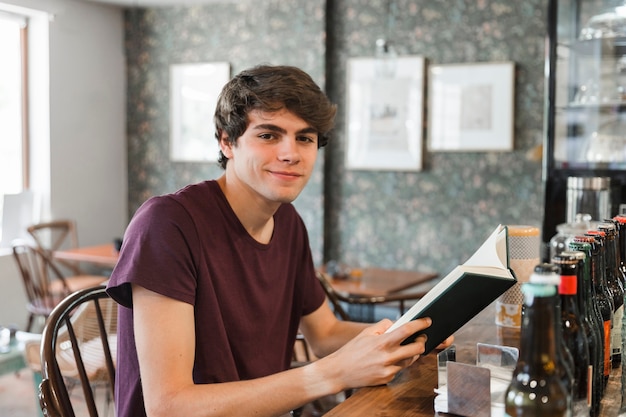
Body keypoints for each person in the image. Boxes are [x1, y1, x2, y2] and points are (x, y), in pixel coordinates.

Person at [106, 64, 449, 417]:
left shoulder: (287, 222)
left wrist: (406, 335)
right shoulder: (167, 223)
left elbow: (324, 333)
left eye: (305, 137)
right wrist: (331, 374)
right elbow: (170, 407)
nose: (291, 153)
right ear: (227, 142)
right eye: (269, 135)